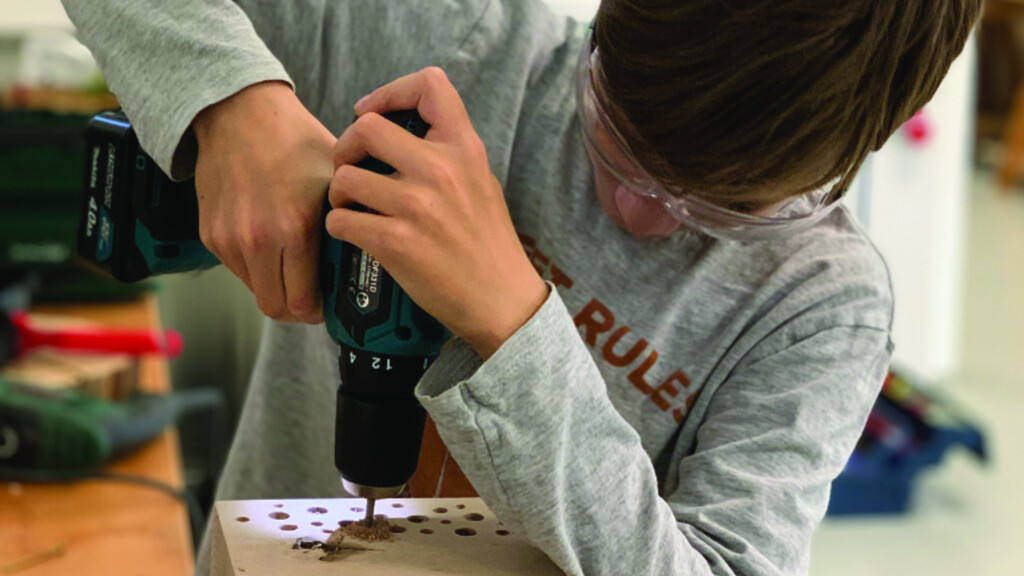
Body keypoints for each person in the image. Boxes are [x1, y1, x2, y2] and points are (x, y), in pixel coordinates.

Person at [61, 0, 980, 574]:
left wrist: (512, 320)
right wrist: (235, 102)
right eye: (615, 133)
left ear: (885, 130)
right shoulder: (454, 44)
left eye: (719, 208)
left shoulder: (821, 305)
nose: (637, 209)